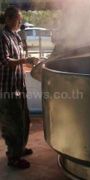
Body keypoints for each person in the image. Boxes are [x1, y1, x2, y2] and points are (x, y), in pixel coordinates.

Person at [0, 6, 38, 169]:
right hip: (7, 90)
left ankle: (20, 149)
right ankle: (13, 157)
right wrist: (24, 61)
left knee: (23, 120)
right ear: (8, 19)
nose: (20, 22)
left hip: (18, 86)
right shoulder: (2, 37)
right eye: (18, 19)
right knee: (12, 124)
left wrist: (28, 60)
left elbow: (19, 58)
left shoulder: (15, 36)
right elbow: (6, 61)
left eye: (20, 19)